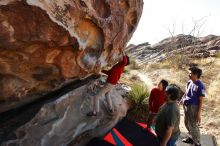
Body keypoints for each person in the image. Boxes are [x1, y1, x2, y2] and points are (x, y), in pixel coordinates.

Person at [87, 51, 130, 117]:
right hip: (112, 83)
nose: (120, 57)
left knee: (96, 97)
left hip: (110, 83)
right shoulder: (118, 65)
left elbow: (124, 61)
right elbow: (109, 72)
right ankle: (110, 108)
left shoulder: (121, 65)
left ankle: (95, 112)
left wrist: (123, 52)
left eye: (121, 57)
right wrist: (100, 70)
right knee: (107, 94)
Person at [181, 66, 205, 146]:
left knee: (193, 125)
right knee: (186, 123)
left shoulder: (200, 86)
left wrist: (198, 113)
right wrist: (182, 99)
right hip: (186, 106)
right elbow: (186, 92)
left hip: (193, 107)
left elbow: (201, 100)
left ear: (196, 74)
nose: (189, 75)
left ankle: (197, 143)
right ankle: (191, 138)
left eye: (190, 73)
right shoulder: (189, 82)